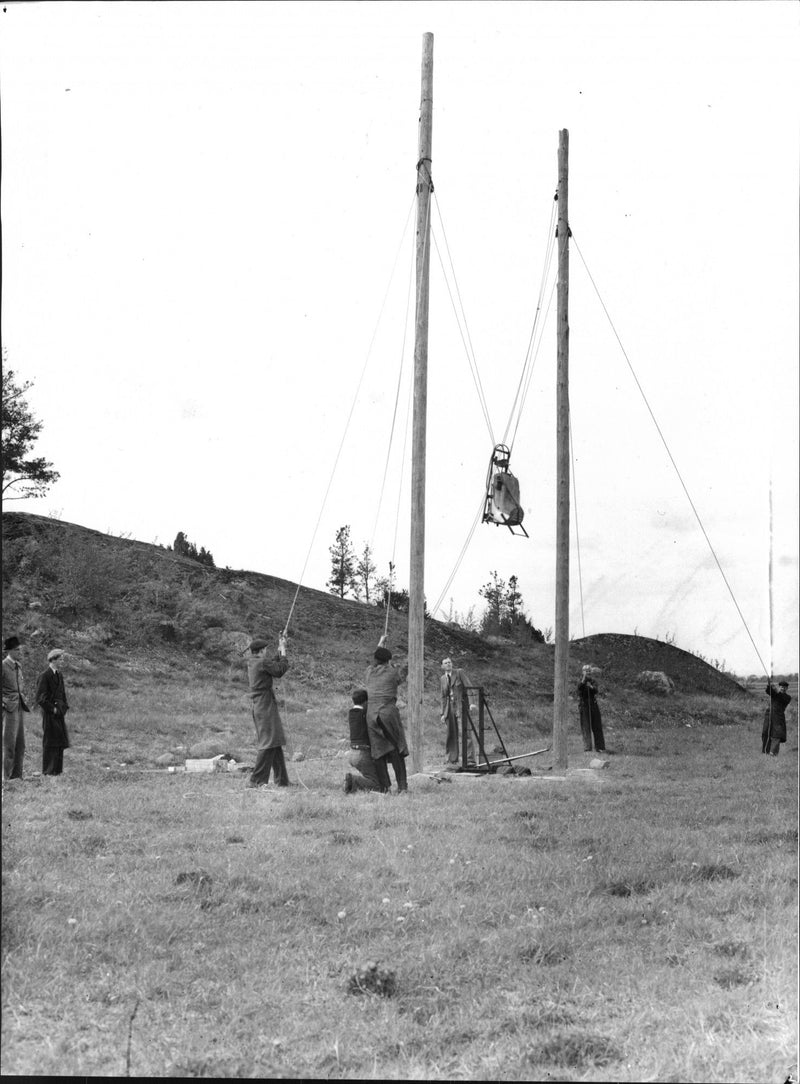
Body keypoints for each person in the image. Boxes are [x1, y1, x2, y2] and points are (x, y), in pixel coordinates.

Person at [246, 634, 292, 788]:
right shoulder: (261, 662)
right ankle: (256, 781)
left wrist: (280, 648)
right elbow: (279, 670)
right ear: (261, 650)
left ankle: (282, 781)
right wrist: (283, 652)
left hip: (261, 704)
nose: (266, 652)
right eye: (265, 649)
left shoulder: (254, 661)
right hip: (264, 704)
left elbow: (271, 664)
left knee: (275, 741)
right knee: (268, 742)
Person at [364, 636, 409, 793]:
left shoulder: (369, 673)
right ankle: (402, 787)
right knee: (395, 750)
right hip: (387, 715)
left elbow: (375, 660)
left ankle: (385, 788)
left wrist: (380, 643)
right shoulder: (392, 673)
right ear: (388, 661)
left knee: (378, 752)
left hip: (371, 716)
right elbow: (400, 675)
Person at [344, 688, 390, 794]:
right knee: (377, 786)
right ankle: (353, 780)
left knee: (371, 778)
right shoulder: (365, 714)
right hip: (362, 754)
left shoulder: (352, 713)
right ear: (365, 702)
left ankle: (352, 786)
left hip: (352, 753)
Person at [35, 649, 71, 776]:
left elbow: (63, 694)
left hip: (59, 712)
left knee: (59, 740)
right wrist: (53, 709)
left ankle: (57, 770)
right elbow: (40, 698)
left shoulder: (59, 675)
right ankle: (48, 771)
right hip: (50, 714)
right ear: (53, 660)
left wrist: (64, 708)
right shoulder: (44, 676)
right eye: (60, 659)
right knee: (50, 740)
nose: (62, 662)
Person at [2, 635, 30, 782]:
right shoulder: (3, 665)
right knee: (9, 743)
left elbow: (21, 688)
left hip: (19, 707)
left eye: (20, 649)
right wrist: (3, 703)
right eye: (17, 650)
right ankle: (6, 778)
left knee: (20, 743)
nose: (20, 652)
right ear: (10, 651)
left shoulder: (18, 666)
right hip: (8, 709)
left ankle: (17, 776)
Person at [440, 657, 476, 768]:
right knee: (451, 733)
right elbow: (443, 696)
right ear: (442, 666)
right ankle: (452, 759)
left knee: (466, 732)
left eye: (449, 662)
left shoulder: (459, 673)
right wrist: (442, 713)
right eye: (445, 663)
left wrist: (471, 703)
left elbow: (469, 687)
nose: (448, 664)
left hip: (461, 706)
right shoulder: (442, 678)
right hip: (450, 707)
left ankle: (470, 760)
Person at [577, 665, 606, 753]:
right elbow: (579, 688)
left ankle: (600, 747)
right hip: (584, 705)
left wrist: (591, 686)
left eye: (589, 671)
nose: (588, 673)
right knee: (586, 726)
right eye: (586, 671)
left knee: (597, 726)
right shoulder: (580, 680)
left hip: (593, 704)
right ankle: (587, 748)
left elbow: (596, 690)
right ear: (583, 672)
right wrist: (584, 679)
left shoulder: (593, 681)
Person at [762, 679, 791, 757]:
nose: (783, 688)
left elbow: (780, 697)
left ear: (787, 689)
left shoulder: (788, 697)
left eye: (785, 687)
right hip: (769, 715)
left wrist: (774, 689)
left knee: (777, 734)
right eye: (781, 687)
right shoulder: (775, 693)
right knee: (765, 733)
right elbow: (768, 691)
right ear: (779, 687)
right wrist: (769, 684)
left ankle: (773, 753)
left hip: (779, 717)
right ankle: (765, 751)